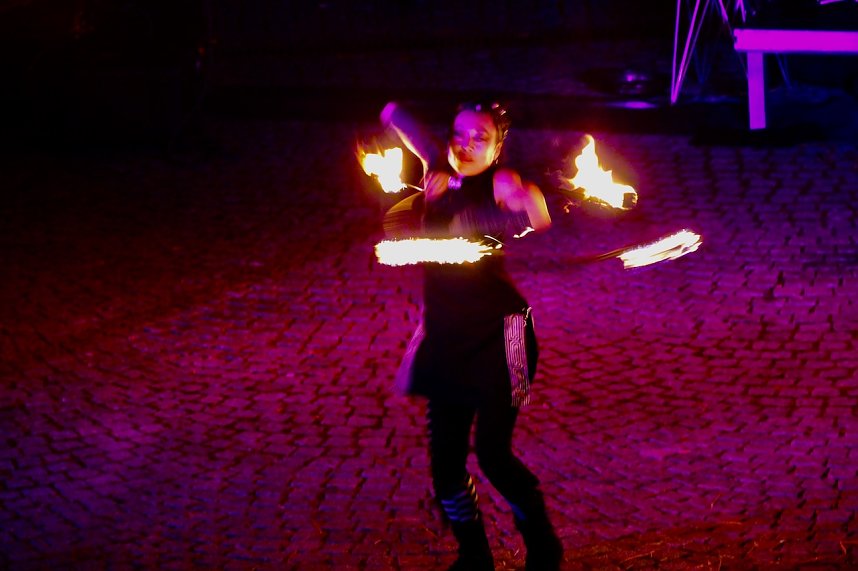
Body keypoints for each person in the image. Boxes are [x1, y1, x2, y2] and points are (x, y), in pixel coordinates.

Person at [379, 100, 562, 570]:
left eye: (481, 136)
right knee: (445, 467)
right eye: (460, 133)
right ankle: (474, 555)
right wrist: (393, 112)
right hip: (448, 333)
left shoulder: (500, 182)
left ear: (499, 148)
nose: (467, 143)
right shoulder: (436, 169)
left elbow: (537, 214)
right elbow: (407, 126)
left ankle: (543, 548)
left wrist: (507, 206)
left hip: (503, 333)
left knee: (493, 455)